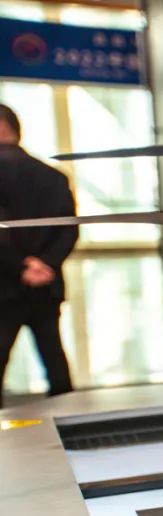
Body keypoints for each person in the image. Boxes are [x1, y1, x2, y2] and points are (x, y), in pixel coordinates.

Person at [0, 104, 77, 406]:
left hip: (4, 285)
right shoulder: (53, 176)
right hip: (46, 285)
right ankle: (71, 422)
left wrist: (20, 267)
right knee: (54, 361)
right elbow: (69, 230)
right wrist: (45, 264)